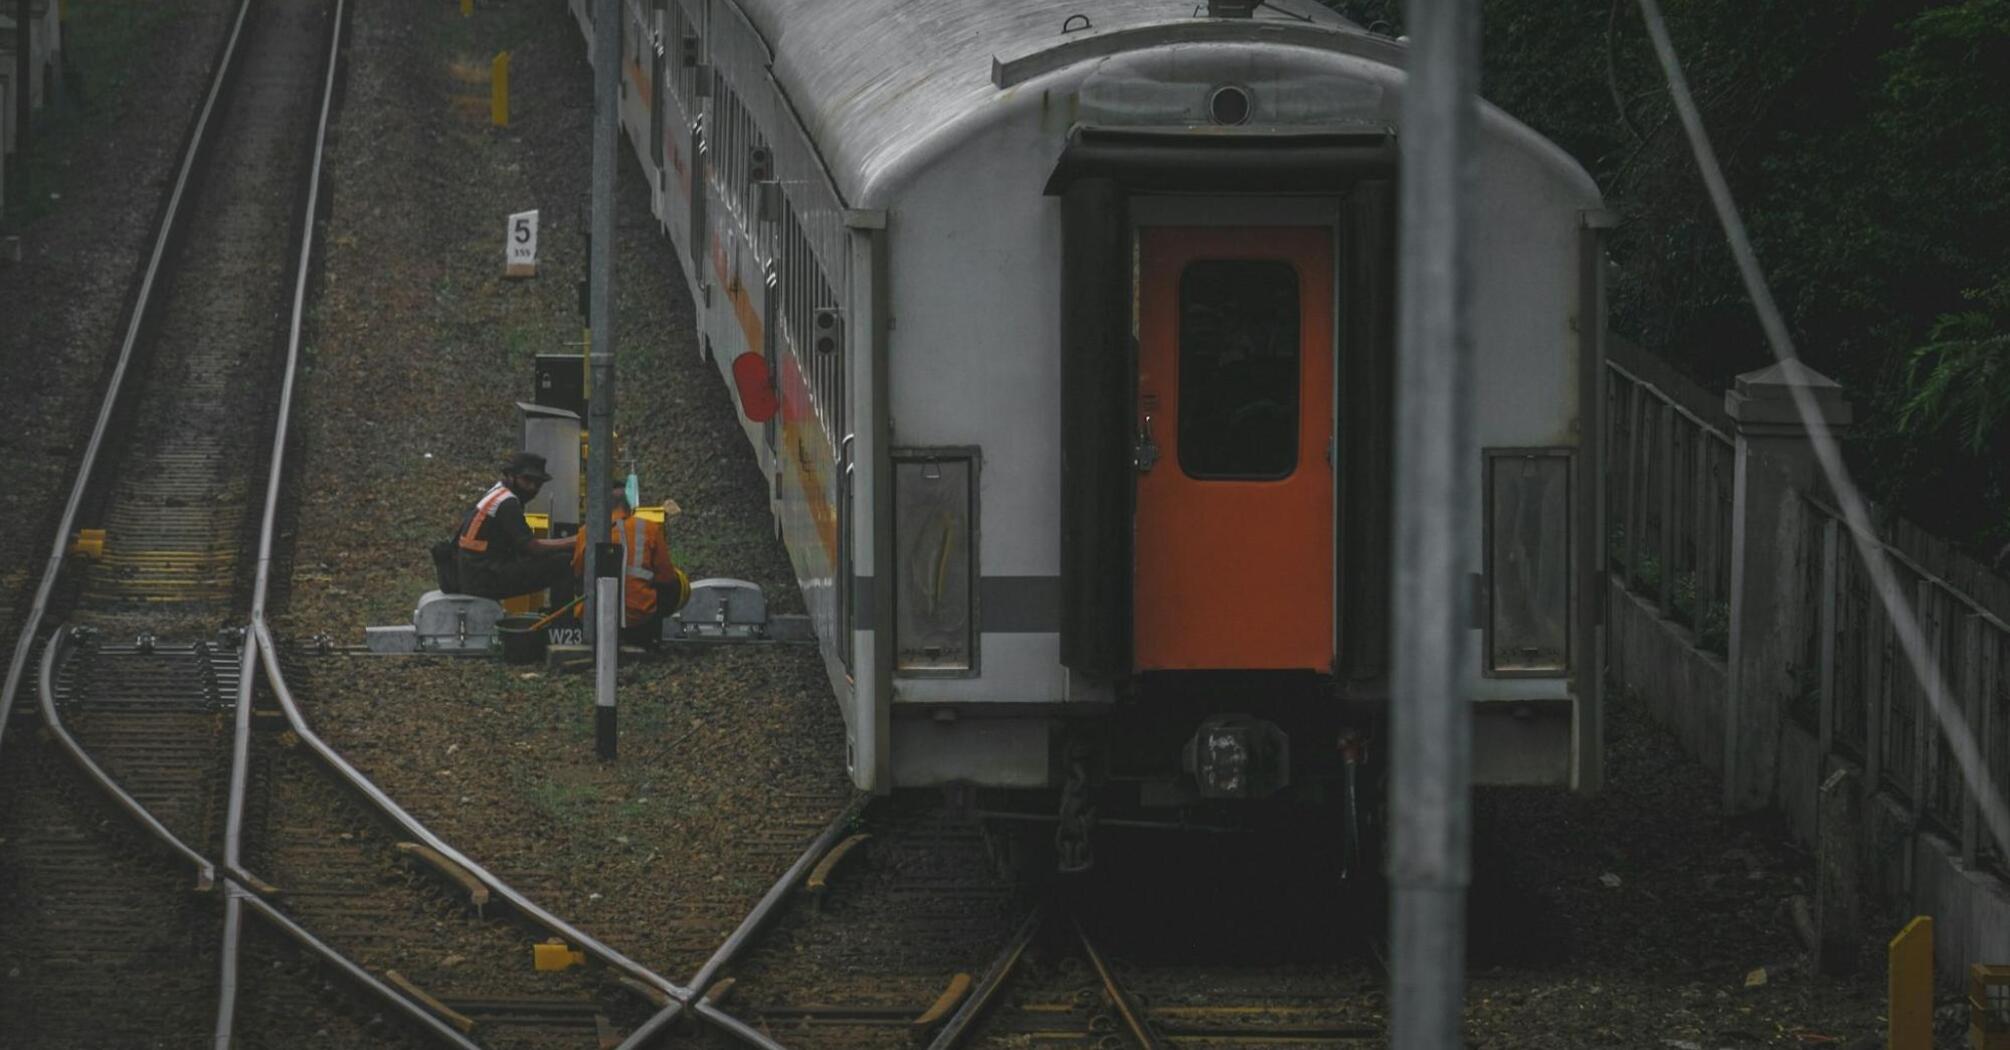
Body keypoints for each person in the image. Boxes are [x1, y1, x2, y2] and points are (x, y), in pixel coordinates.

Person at [572, 484, 690, 647]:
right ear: (629, 506)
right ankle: (651, 639)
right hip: (638, 617)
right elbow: (667, 577)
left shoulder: (586, 531)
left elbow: (577, 573)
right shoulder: (649, 528)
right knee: (675, 587)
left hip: (594, 616)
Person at [454, 452, 576, 601]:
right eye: (527, 480)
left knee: (556, 558)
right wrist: (576, 541)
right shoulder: (507, 503)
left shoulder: (496, 492)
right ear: (511, 476)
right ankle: (563, 622)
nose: (532, 487)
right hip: (484, 579)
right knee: (565, 563)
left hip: (473, 573)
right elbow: (533, 547)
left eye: (538, 483)